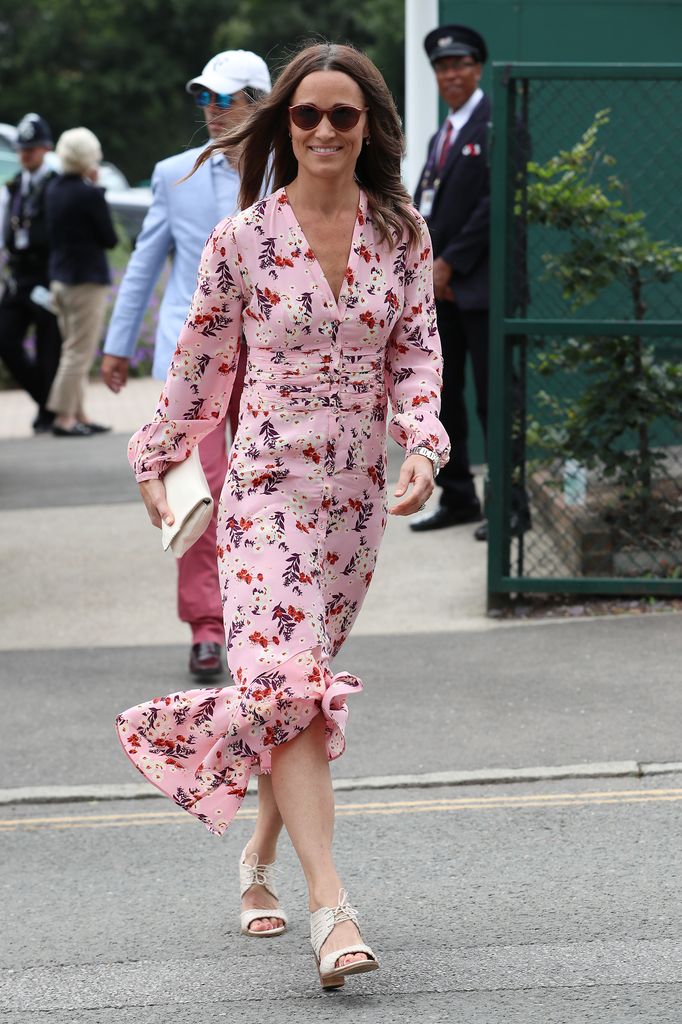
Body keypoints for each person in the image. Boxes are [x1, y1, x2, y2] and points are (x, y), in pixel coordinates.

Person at [115, 42, 450, 989]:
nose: (324, 131)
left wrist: (421, 441)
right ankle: (330, 906)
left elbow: (417, 355)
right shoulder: (244, 241)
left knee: (291, 691)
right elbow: (198, 365)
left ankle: (256, 860)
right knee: (285, 680)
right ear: (284, 126)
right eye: (307, 116)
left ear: (369, 128)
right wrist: (158, 456)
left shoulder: (403, 234)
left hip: (351, 505)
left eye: (343, 116)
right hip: (265, 498)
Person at [101, 50, 271, 680]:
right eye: (205, 97)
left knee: (265, 483)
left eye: (224, 99)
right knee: (199, 488)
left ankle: (263, 615)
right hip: (192, 356)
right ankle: (207, 626)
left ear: (259, 100)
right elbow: (145, 261)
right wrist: (119, 344)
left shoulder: (296, 169)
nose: (211, 110)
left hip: (271, 354)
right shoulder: (173, 172)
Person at [411, 25, 491, 537]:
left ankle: (511, 505)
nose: (450, 74)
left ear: (477, 67)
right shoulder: (443, 133)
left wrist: (451, 261)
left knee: (492, 400)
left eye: (459, 64)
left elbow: (494, 204)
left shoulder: (496, 124)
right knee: (444, 399)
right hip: (440, 292)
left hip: (481, 289)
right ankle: (459, 496)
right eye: (442, 68)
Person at [44, 128, 118, 436]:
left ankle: (79, 414)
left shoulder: (53, 189)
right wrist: (96, 188)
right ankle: (63, 417)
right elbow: (109, 239)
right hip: (86, 280)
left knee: (70, 348)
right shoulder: (89, 194)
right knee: (78, 353)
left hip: (60, 278)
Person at [0, 113, 62, 433]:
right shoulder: (12, 189)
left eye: (32, 149)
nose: (26, 155)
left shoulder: (56, 185)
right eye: (22, 149)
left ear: (46, 149)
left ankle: (47, 413)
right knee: (5, 339)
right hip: (20, 278)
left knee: (49, 348)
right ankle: (47, 402)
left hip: (49, 277)